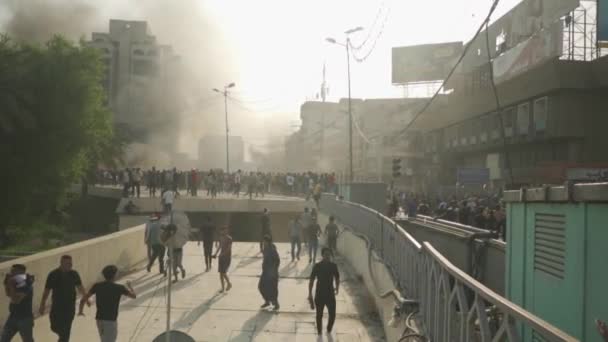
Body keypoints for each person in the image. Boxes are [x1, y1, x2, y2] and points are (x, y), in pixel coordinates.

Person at [79, 265, 136, 342]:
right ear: (115, 275)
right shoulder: (119, 288)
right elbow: (133, 296)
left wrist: (81, 311)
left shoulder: (97, 286)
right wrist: (130, 286)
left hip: (99, 319)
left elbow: (83, 299)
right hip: (110, 320)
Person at [39, 255, 88, 342]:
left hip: (69, 307)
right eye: (67, 263)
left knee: (66, 330)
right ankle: (62, 337)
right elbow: (47, 291)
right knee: (54, 327)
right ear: (61, 263)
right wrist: (42, 304)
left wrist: (86, 298)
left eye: (71, 263)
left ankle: (63, 338)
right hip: (56, 307)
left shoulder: (74, 274)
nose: (70, 265)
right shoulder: (53, 274)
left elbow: (80, 287)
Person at [308, 248, 340, 336]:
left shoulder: (333, 266)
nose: (327, 256)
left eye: (329, 254)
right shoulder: (317, 266)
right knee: (319, 315)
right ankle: (319, 332)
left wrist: (337, 288)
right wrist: (310, 294)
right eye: (326, 254)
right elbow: (311, 280)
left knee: (332, 315)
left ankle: (329, 329)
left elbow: (337, 278)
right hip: (319, 294)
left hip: (330, 294)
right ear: (322, 255)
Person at [1, 264, 34, 342]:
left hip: (24, 318)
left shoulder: (27, 284)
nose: (11, 273)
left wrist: (11, 285)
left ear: (21, 272)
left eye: (14, 271)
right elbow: (8, 294)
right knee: (4, 339)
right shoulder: (18, 282)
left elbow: (16, 300)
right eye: (11, 271)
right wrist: (6, 285)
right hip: (12, 316)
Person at [258, 235, 280, 311]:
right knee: (261, 286)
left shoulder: (272, 249)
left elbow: (277, 260)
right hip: (265, 271)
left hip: (272, 273)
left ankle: (276, 303)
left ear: (267, 241)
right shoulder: (266, 248)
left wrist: (273, 270)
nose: (263, 243)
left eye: (264, 241)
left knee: (273, 288)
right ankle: (267, 301)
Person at [213, 226, 233, 293]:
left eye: (224, 230)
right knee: (220, 273)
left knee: (223, 272)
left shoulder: (229, 238)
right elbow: (220, 246)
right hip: (221, 257)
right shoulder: (221, 238)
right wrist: (215, 254)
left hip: (227, 257)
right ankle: (222, 287)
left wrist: (223, 254)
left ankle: (229, 283)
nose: (223, 232)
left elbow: (229, 249)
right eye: (222, 230)